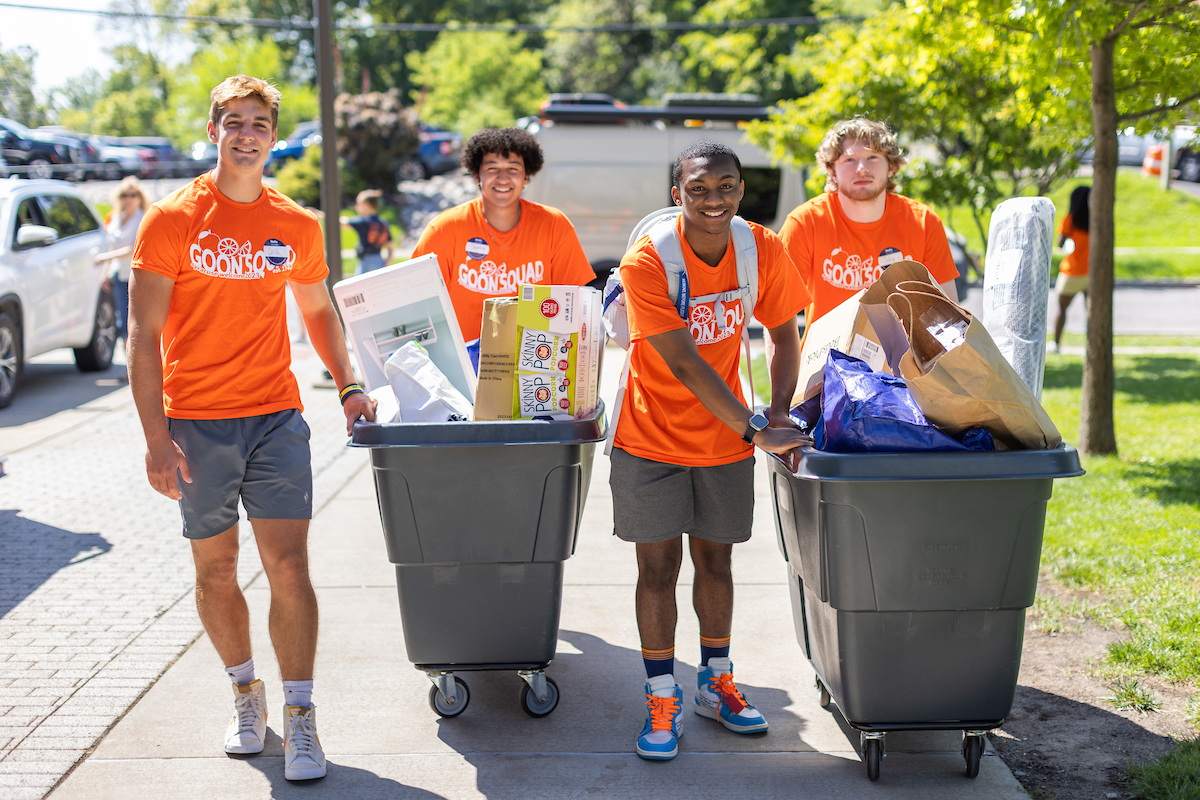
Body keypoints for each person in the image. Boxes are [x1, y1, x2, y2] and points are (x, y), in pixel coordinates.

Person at [127, 74, 377, 782]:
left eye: (258, 123)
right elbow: (142, 337)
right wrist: (154, 436)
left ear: (273, 135)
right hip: (196, 425)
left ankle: (301, 719)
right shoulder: (172, 220)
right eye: (232, 121)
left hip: (274, 418)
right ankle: (245, 694)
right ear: (213, 132)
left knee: (289, 566)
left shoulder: (294, 225)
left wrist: (350, 385)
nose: (246, 133)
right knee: (214, 570)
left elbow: (319, 311)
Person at [611, 141, 812, 761]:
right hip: (649, 437)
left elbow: (784, 333)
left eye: (725, 187)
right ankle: (661, 695)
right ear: (678, 195)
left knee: (718, 566)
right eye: (698, 189)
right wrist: (757, 428)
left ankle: (716, 681)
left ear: (740, 189)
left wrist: (779, 412)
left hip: (724, 441)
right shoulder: (647, 261)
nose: (713, 200)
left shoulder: (761, 249)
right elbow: (683, 361)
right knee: (656, 570)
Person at [410, 127, 595, 344]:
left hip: (534, 366)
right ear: (476, 175)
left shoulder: (554, 225)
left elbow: (575, 305)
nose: (503, 178)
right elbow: (416, 302)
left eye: (513, 169)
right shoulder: (444, 229)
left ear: (526, 177)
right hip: (465, 370)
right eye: (492, 168)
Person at [779, 116, 960, 326]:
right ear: (832, 170)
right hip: (828, 357)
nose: (862, 168)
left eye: (873, 157)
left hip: (905, 358)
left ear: (891, 167)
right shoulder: (803, 223)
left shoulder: (924, 222)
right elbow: (779, 315)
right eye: (849, 159)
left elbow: (948, 312)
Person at [94, 176, 150, 345]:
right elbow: (112, 245)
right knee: (122, 323)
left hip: (138, 277)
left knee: (137, 324)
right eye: (124, 195)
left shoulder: (143, 219)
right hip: (119, 276)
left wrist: (104, 258)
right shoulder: (116, 218)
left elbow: (134, 250)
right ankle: (128, 368)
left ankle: (136, 369)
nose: (128, 199)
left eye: (133, 195)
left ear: (140, 198)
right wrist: (105, 272)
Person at [1053, 185, 1090, 353]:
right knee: (1091, 313)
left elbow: (1061, 243)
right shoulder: (1096, 220)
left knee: (1061, 310)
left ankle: (1056, 345)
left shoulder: (1071, 219)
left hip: (1072, 272)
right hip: (1091, 273)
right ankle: (1091, 346)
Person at [340, 189, 393, 274]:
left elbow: (342, 222)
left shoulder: (363, 221)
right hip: (379, 260)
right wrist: (387, 263)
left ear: (366, 204)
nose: (356, 206)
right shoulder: (383, 223)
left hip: (366, 262)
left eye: (358, 203)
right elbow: (390, 247)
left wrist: (320, 215)